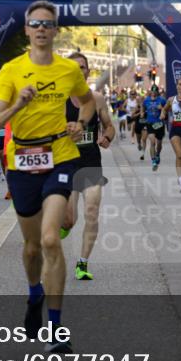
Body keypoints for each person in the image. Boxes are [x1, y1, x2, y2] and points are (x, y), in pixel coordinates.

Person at [0, 0, 94, 354]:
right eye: (35, 23)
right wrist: (18, 106)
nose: (41, 28)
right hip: (21, 161)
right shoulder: (11, 71)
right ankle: (34, 293)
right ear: (27, 30)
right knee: (32, 248)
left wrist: (81, 121)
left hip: (60, 155)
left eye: (47, 24)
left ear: (55, 30)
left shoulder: (67, 70)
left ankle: (56, 330)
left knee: (50, 239)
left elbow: (87, 100)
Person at [61, 52, 116, 281]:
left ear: (87, 71)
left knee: (92, 213)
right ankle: (55, 235)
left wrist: (107, 138)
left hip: (91, 163)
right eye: (74, 66)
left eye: (82, 66)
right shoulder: (59, 99)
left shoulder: (97, 99)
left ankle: (82, 264)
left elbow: (109, 126)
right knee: (69, 219)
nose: (79, 70)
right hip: (67, 162)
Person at [142, 84, 167, 171]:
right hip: (150, 123)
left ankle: (158, 154)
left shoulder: (162, 100)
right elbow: (143, 107)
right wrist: (142, 113)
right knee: (152, 142)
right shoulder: (146, 100)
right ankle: (153, 162)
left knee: (159, 144)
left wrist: (162, 108)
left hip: (159, 124)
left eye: (155, 91)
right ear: (150, 92)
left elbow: (167, 110)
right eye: (152, 91)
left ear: (157, 92)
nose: (153, 93)